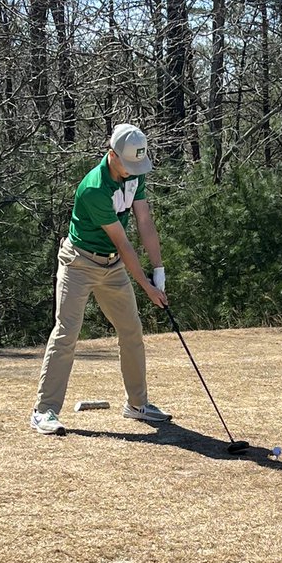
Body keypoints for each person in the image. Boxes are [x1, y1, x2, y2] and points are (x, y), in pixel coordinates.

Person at [31, 123, 171, 436]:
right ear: (111, 155)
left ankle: (137, 405)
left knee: (131, 330)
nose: (134, 171)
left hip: (113, 265)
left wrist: (158, 270)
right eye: (128, 164)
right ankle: (45, 411)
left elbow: (145, 222)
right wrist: (146, 287)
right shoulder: (94, 188)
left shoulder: (135, 173)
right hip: (79, 262)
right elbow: (123, 241)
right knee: (67, 333)